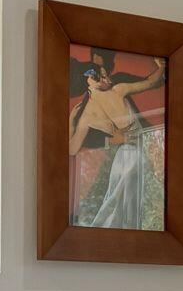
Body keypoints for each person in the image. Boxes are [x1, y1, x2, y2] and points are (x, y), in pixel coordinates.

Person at [70, 50, 164, 229]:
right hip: (131, 154)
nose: (107, 78)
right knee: (119, 202)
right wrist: (71, 124)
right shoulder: (89, 113)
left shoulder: (116, 90)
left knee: (119, 202)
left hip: (134, 152)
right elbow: (73, 149)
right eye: (101, 76)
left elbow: (152, 82)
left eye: (105, 74)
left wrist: (162, 67)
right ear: (89, 81)